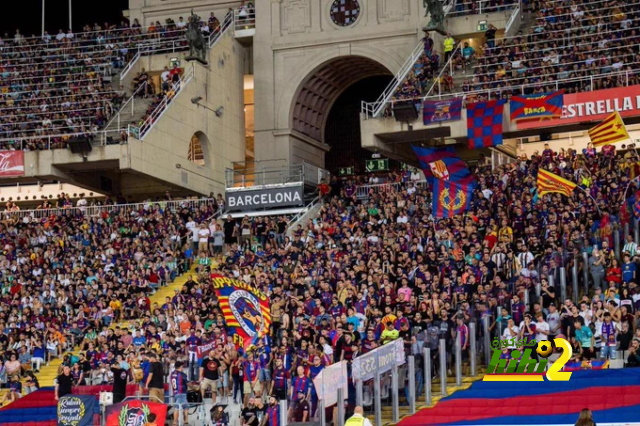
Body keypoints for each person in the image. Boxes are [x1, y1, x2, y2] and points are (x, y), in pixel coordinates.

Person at [170, 361, 189, 426]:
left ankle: (186, 422)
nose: (183, 367)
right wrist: (195, 386)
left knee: (186, 407)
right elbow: (188, 383)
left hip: (175, 393)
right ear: (180, 367)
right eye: (182, 366)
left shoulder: (172, 374)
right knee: (177, 407)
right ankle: (176, 422)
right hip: (182, 393)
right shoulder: (182, 374)